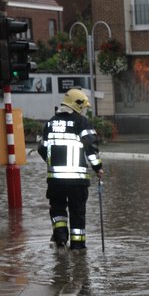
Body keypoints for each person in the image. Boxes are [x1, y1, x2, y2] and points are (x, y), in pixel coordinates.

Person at [38, 89, 104, 250]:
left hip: (55, 181)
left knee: (58, 209)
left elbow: (41, 148)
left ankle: (60, 239)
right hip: (77, 181)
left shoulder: (50, 123)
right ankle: (78, 248)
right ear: (77, 105)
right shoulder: (81, 122)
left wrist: (52, 162)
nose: (84, 110)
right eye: (83, 107)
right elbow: (91, 148)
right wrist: (98, 168)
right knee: (77, 213)